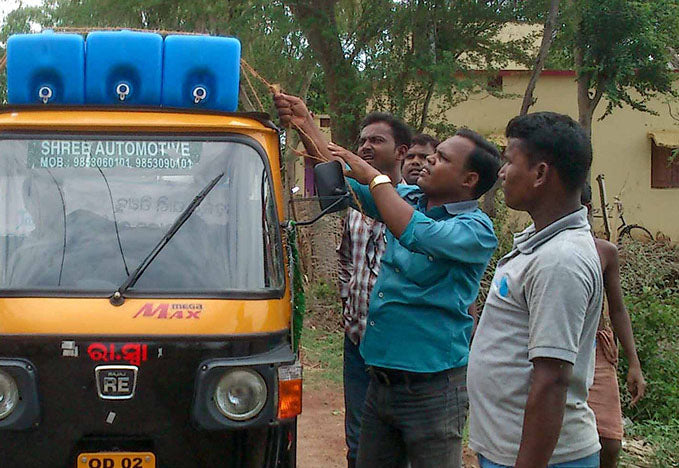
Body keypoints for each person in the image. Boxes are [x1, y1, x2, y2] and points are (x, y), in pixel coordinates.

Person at [277, 92, 501, 468]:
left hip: (433, 389)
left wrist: (378, 180)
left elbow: (414, 233)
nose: (429, 159)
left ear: (469, 180)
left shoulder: (475, 230)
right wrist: (305, 124)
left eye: (442, 158)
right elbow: (342, 184)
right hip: (380, 381)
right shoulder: (409, 197)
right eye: (434, 153)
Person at [273, 91, 411, 467]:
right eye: (362, 140)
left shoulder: (411, 202)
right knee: (359, 443)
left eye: (377, 140)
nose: (366, 146)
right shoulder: (355, 198)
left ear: (402, 152)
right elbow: (330, 170)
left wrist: (305, 123)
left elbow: (343, 171)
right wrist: (303, 124)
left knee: (401, 446)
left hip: (401, 351)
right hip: (358, 343)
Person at [468, 112, 603, 468]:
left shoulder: (560, 260)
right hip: (510, 449)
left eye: (510, 161)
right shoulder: (541, 246)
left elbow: (551, 380)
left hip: (541, 459)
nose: (501, 172)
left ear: (541, 173)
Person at [581, 185, 646, 468]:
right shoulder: (537, 246)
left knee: (609, 441)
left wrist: (634, 362)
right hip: (555, 348)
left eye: (587, 209)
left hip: (596, 350)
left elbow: (617, 309)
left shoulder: (604, 252)